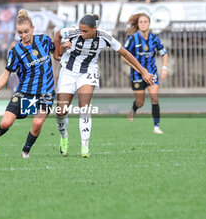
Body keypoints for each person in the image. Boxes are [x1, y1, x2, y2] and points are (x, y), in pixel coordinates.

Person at [53, 14, 156, 158]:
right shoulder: (72, 32)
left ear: (94, 29)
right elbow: (57, 34)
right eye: (80, 30)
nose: (81, 33)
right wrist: (57, 54)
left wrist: (143, 71)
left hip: (88, 71)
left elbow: (125, 53)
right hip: (68, 71)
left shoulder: (105, 37)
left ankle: (85, 146)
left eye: (85, 31)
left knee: (84, 107)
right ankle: (64, 137)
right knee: (61, 111)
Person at [0, 9, 55, 158]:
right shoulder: (16, 51)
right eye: (20, 33)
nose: (24, 35)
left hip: (46, 92)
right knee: (6, 123)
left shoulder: (44, 41)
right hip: (25, 92)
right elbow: (5, 75)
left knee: (37, 124)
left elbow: (57, 54)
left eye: (26, 31)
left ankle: (26, 150)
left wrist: (64, 46)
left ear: (33, 28)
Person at [122, 13, 168, 134]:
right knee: (140, 102)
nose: (143, 24)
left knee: (154, 98)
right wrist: (136, 68)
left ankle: (156, 127)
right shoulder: (133, 39)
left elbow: (164, 53)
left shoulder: (154, 39)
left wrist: (164, 68)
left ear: (149, 24)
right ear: (138, 24)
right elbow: (123, 57)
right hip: (137, 75)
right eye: (141, 22)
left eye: (145, 22)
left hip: (152, 73)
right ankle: (134, 108)